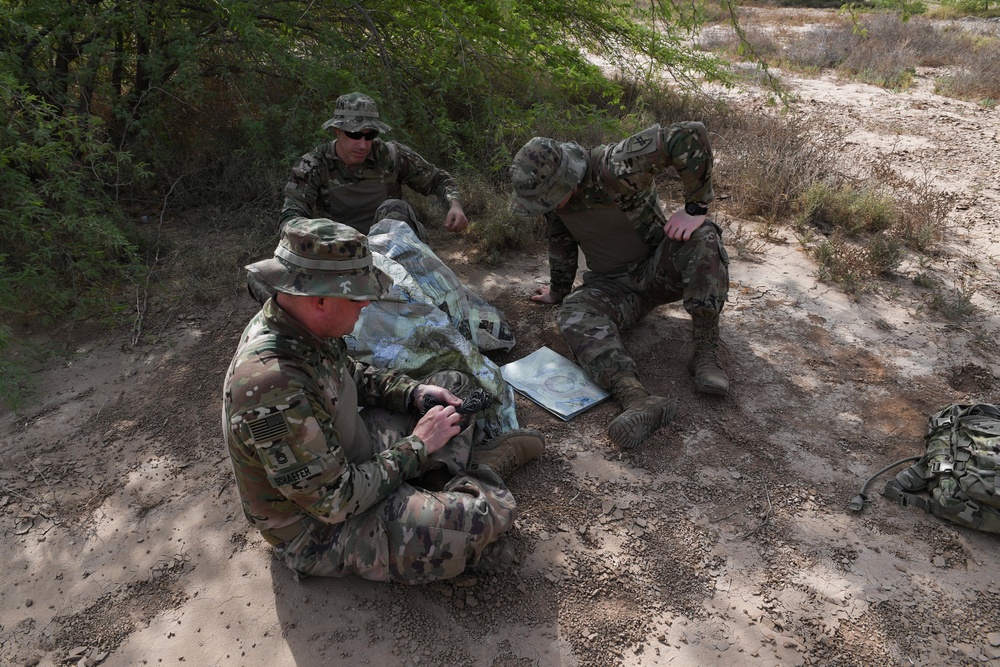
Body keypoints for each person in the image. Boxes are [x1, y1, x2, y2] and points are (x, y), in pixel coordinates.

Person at [223, 218, 544, 583]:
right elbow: (335, 501)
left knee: (449, 386)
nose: (366, 306)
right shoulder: (272, 385)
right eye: (359, 297)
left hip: (348, 452)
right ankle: (468, 487)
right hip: (319, 527)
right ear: (321, 300)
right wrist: (419, 445)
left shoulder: (299, 321)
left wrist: (413, 394)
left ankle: (440, 484)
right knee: (476, 520)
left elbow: (350, 374)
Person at [509, 122, 730, 450]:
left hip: (660, 268)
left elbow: (688, 134)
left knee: (704, 234)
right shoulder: (556, 204)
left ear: (565, 178)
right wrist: (558, 290)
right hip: (615, 288)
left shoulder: (612, 165)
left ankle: (706, 350)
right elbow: (561, 242)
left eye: (547, 198)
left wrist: (695, 207)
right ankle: (637, 400)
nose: (548, 206)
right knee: (574, 310)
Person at [280, 91, 468, 239]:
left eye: (370, 135)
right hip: (339, 248)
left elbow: (437, 179)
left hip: (392, 246)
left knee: (395, 208)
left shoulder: (390, 155)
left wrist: (455, 206)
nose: (362, 144)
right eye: (354, 135)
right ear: (337, 131)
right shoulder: (314, 165)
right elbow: (292, 216)